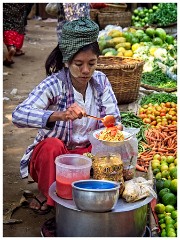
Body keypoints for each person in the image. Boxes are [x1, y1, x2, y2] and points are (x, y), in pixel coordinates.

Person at [12, 18, 122, 216]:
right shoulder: (54, 84)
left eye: (92, 63)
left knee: (114, 149)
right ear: (66, 61)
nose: (86, 70)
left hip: (87, 155)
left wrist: (115, 129)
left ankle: (72, 193)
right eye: (78, 64)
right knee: (51, 146)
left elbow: (114, 118)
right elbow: (18, 114)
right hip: (56, 159)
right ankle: (52, 196)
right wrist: (59, 115)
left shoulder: (101, 81)